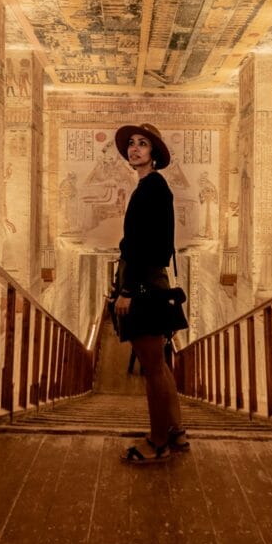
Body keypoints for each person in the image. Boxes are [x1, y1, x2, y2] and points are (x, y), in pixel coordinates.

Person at [112, 123, 189, 463]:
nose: (134, 149)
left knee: (153, 369)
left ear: (153, 153)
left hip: (142, 285)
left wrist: (127, 290)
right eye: (131, 143)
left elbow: (144, 245)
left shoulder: (152, 188)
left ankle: (158, 442)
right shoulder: (150, 187)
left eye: (142, 144)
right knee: (160, 366)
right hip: (150, 283)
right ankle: (177, 433)